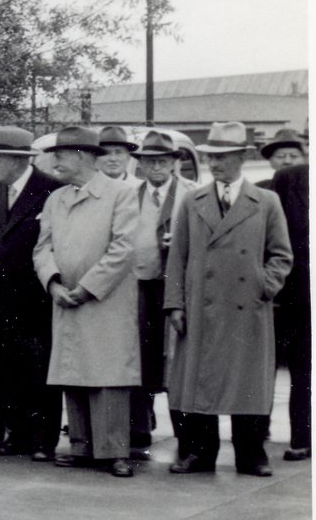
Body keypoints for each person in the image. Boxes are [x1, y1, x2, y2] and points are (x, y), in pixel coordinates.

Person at [166, 122, 296, 477]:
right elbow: (178, 256)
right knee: (199, 381)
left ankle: (251, 455)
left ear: (241, 157)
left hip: (247, 308)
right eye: (211, 157)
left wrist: (263, 286)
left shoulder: (266, 201)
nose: (215, 164)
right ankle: (198, 454)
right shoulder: (193, 201)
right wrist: (175, 303)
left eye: (223, 157)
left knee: (248, 384)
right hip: (201, 308)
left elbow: (281, 255)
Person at [32, 125, 140, 478]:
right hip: (65, 299)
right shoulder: (55, 199)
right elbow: (42, 247)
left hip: (104, 301)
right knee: (73, 370)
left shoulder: (121, 194)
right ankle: (81, 446)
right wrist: (53, 283)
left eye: (59, 154)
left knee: (108, 374)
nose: (54, 161)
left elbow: (123, 248)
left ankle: (114, 451)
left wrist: (88, 287)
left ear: (81, 155)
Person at [0, 127, 61, 461]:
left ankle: (43, 440)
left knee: (38, 369)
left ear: (16, 159)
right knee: (5, 367)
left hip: (34, 297)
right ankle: (16, 433)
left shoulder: (50, 189)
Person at [126, 130, 190, 459]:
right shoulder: (129, 195)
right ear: (140, 165)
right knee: (138, 355)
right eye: (149, 162)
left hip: (176, 286)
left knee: (177, 358)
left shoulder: (191, 195)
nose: (156, 168)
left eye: (163, 161)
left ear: (174, 164)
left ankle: (185, 434)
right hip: (137, 285)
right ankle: (138, 429)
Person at [261, 160, 310, 461]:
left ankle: (304, 437)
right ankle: (294, 437)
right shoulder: (288, 178)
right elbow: (270, 235)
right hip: (290, 293)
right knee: (287, 368)